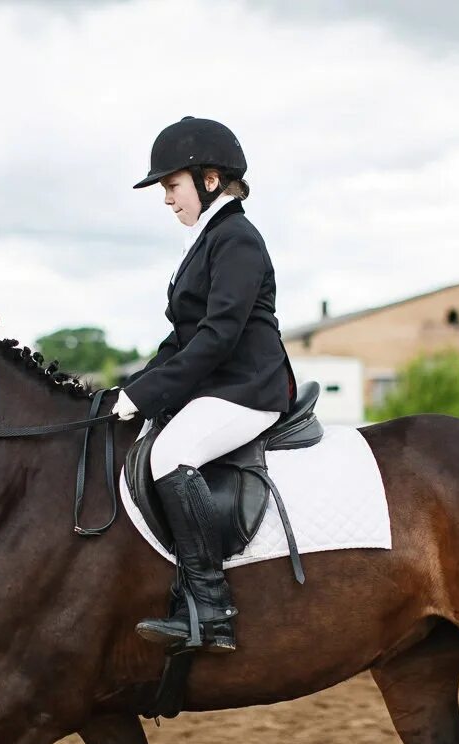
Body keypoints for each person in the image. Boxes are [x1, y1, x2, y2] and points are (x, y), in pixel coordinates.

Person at [114, 116, 297, 654]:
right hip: (221, 387)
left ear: (209, 179)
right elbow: (181, 338)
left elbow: (217, 338)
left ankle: (211, 609)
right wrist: (131, 389)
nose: (167, 199)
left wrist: (147, 396)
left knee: (169, 455)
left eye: (171, 186)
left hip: (250, 389)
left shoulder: (237, 238)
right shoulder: (213, 238)